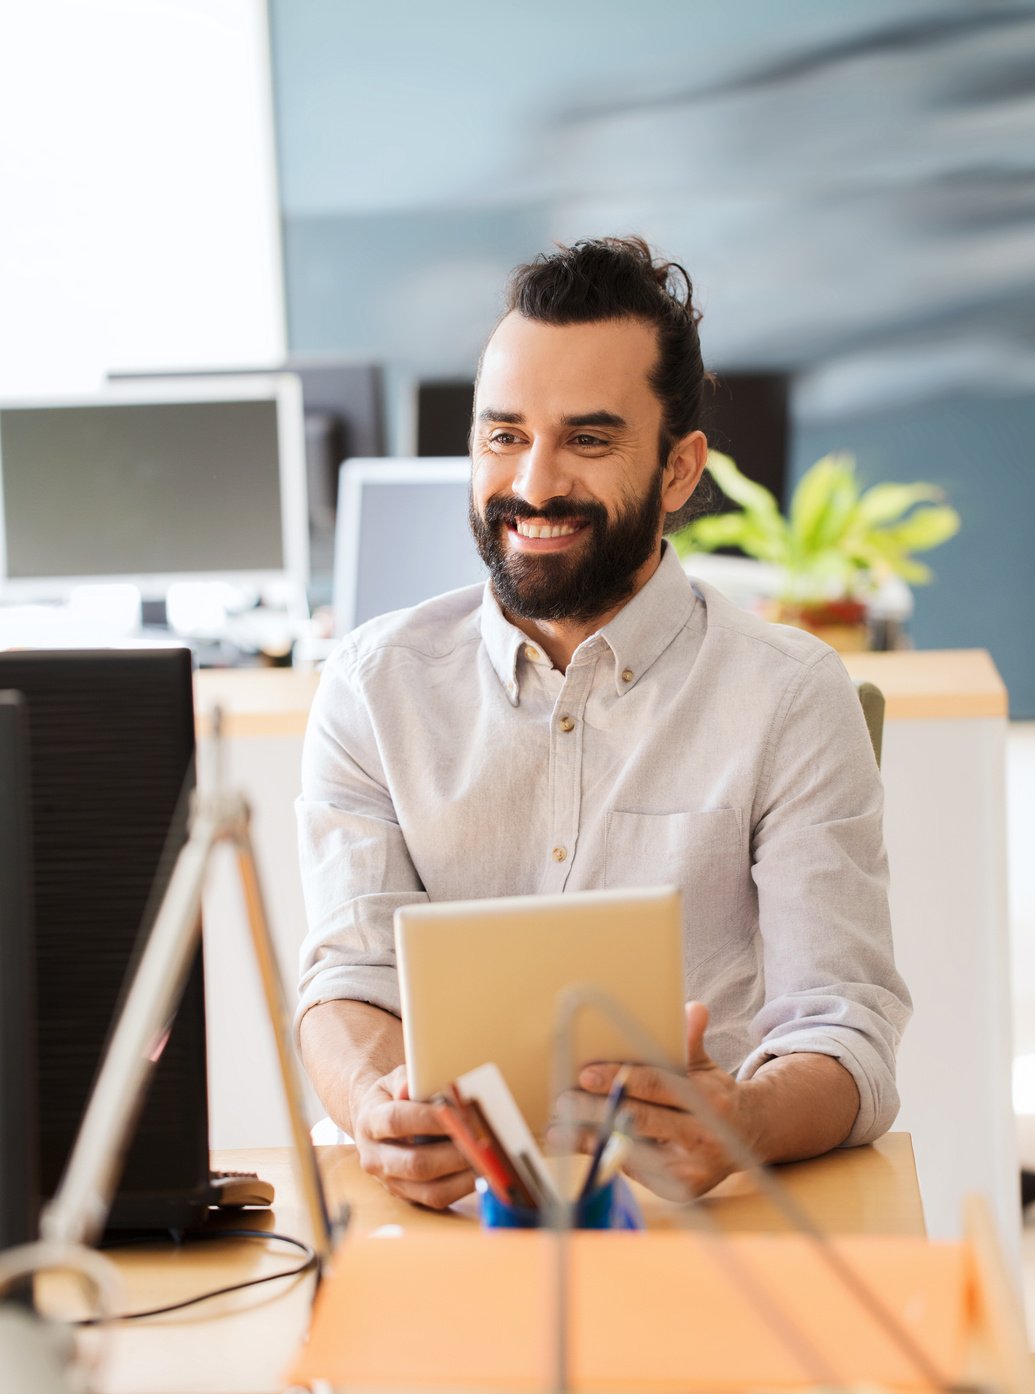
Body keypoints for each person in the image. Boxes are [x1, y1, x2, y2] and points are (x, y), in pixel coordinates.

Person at [295, 235, 911, 1210]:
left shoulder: (792, 693)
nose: (533, 483)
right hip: (445, 1226)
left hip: (701, 1220)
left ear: (678, 470)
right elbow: (347, 982)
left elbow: (846, 1032)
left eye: (586, 440)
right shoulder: (373, 686)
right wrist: (376, 1101)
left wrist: (744, 1116)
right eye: (503, 435)